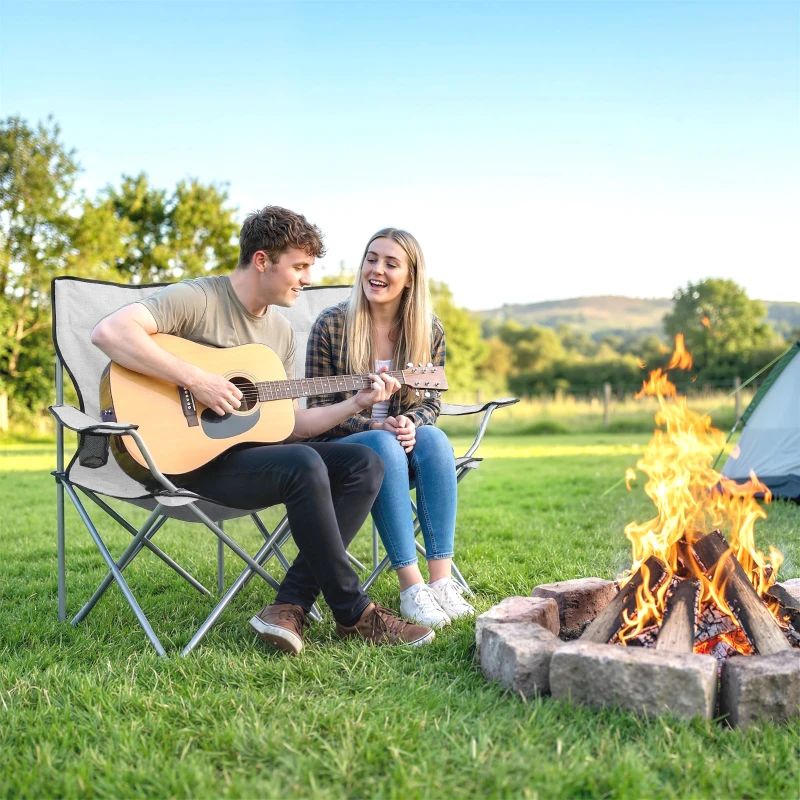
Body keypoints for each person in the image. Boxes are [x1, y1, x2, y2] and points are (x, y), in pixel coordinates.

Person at [90, 207, 435, 654]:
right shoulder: (199, 299)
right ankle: (353, 612)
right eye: (299, 267)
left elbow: (290, 426)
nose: (307, 279)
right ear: (261, 261)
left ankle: (290, 605)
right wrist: (197, 380)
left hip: (246, 460)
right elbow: (109, 332)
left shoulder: (279, 332)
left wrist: (356, 403)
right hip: (175, 459)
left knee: (364, 462)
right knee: (305, 463)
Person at [305, 228, 475, 628]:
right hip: (343, 454)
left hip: (402, 451)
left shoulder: (427, 330)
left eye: (390, 263)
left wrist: (411, 423)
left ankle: (441, 582)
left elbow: (432, 400)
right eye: (371, 259)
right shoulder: (331, 325)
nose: (376, 270)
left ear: (410, 277)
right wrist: (375, 425)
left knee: (434, 438)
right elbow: (317, 409)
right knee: (382, 443)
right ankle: (410, 586)